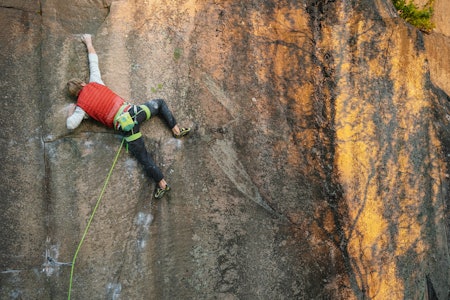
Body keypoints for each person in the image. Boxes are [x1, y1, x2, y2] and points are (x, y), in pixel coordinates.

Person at [66, 34, 190, 199]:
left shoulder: (81, 109)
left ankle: (163, 185)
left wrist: (71, 111)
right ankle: (176, 130)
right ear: (82, 83)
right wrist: (88, 41)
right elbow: (93, 60)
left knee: (144, 157)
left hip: (126, 129)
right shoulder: (94, 82)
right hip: (134, 113)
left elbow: (70, 125)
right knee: (159, 103)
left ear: (75, 96)